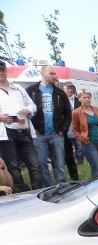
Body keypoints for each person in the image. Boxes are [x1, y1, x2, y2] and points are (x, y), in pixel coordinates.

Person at [0, 59, 44, 191]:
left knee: (35, 165)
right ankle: (21, 193)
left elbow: (33, 106)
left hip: (24, 130)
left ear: (6, 71)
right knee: (13, 166)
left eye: (2, 70)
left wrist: (28, 110)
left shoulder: (18, 88)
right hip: (6, 133)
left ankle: (39, 191)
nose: (0, 73)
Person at [26, 64, 72, 186]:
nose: (54, 76)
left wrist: (64, 130)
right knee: (41, 163)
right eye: (51, 73)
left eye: (55, 73)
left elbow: (68, 113)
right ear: (43, 74)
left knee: (60, 163)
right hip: (39, 133)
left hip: (56, 133)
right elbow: (26, 109)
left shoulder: (59, 93)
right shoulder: (32, 91)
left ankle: (61, 186)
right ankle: (49, 188)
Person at [71, 90, 98, 178]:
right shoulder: (76, 113)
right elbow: (75, 129)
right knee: (97, 169)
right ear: (79, 99)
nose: (87, 99)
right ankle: (95, 190)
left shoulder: (96, 110)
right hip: (90, 144)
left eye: (88, 97)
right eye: (84, 97)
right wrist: (83, 139)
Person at [62, 82, 81, 180]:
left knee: (79, 146)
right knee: (68, 148)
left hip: (76, 125)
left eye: (71, 88)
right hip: (66, 126)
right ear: (64, 89)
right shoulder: (61, 99)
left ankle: (81, 163)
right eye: (68, 88)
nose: (70, 90)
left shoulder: (78, 100)